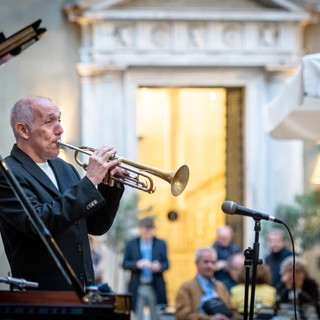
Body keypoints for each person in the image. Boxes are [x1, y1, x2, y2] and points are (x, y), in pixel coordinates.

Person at [0, 96, 126, 291]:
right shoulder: (7, 172)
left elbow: (95, 225)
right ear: (23, 130)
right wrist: (90, 181)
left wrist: (110, 186)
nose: (60, 130)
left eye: (59, 120)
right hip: (42, 296)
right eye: (49, 122)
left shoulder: (65, 168)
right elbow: (40, 224)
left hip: (82, 291)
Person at [122, 217, 169, 320]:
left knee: (156, 315)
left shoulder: (161, 243)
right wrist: (137, 264)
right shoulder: (131, 243)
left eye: (150, 229)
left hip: (155, 285)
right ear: (140, 229)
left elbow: (166, 264)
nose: (147, 232)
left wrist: (159, 266)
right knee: (137, 315)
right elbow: (125, 264)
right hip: (138, 285)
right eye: (145, 229)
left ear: (153, 229)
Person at [176, 247, 236, 320]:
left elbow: (231, 310)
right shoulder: (186, 287)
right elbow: (182, 315)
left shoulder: (220, 286)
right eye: (206, 262)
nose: (209, 266)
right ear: (196, 263)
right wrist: (209, 318)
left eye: (213, 262)